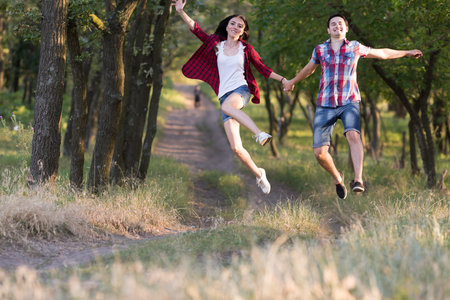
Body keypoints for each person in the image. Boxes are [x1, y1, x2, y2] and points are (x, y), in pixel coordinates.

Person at [283, 13, 422, 199]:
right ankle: (338, 178)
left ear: (346, 28)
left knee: (353, 135)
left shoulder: (355, 47)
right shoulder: (320, 50)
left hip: (349, 100)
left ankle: (358, 180)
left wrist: (406, 52)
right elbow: (309, 70)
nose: (337, 26)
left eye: (340, 24)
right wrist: (292, 81)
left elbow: (382, 53)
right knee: (319, 153)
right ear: (328, 29)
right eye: (333, 24)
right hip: (325, 104)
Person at [172, 0, 288, 194]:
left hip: (241, 91)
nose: (235, 27)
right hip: (223, 96)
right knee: (236, 148)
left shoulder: (246, 49)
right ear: (227, 26)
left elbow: (263, 69)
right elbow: (196, 29)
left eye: (240, 26)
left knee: (227, 107)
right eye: (233, 23)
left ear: (243, 32)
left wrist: (283, 79)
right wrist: (181, 12)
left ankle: (259, 134)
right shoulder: (216, 45)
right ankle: (259, 174)